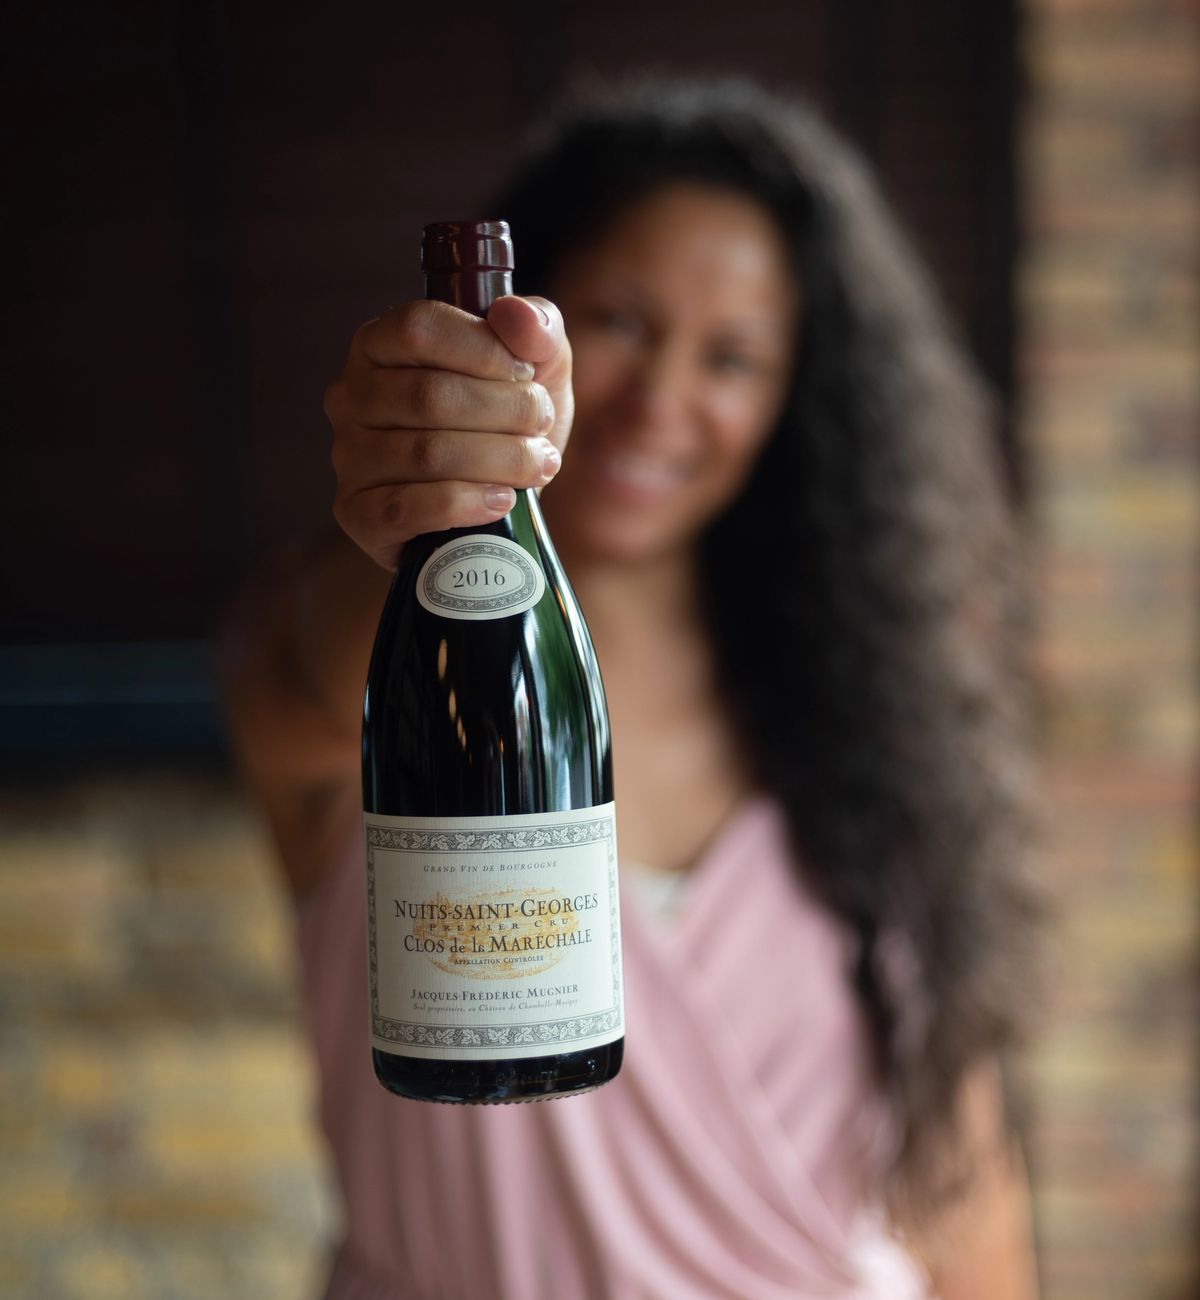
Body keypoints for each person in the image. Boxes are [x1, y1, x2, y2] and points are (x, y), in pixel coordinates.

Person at [221, 76, 1043, 1299]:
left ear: (796, 401)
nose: (663, 399)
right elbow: (291, 683)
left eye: (734, 357)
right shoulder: (370, 636)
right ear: (520, 326)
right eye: (618, 321)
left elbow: (958, 1168)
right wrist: (412, 499)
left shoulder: (866, 709)